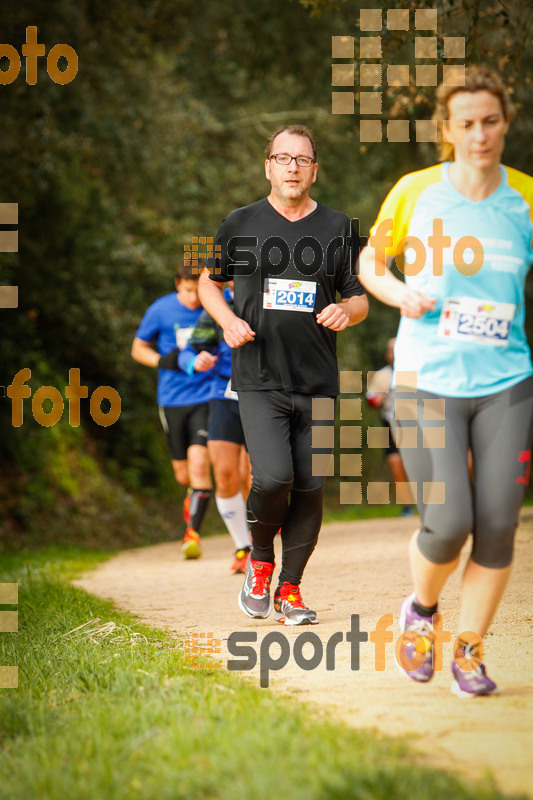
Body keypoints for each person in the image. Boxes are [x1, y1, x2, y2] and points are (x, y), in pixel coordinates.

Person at [358, 66, 533, 696]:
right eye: (467, 124)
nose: (480, 135)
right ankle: (422, 612)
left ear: (505, 123)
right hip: (425, 378)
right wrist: (398, 291)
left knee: (497, 521)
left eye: (491, 121)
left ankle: (469, 651)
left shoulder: (526, 200)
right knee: (449, 520)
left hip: (506, 380)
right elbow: (370, 261)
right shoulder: (415, 192)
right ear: (447, 130)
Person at [199, 124, 368, 625]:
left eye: (302, 159)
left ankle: (290, 589)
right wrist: (227, 320)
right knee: (273, 476)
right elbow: (211, 285)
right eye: (283, 157)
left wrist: (348, 313)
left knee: (310, 485)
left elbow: (357, 297)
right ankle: (260, 560)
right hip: (258, 377)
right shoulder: (240, 222)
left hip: (317, 380)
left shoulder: (339, 227)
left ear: (315, 169)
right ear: (268, 166)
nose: (292, 166)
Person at [131, 259, 215, 559]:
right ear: (178, 283)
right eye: (189, 291)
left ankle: (192, 534)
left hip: (206, 396)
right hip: (172, 400)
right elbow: (137, 348)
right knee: (183, 475)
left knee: (199, 465)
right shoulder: (161, 310)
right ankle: (192, 499)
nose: (194, 298)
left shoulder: (213, 307)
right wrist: (161, 361)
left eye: (198, 291)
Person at [179, 284, 253, 574]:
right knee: (224, 474)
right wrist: (195, 361)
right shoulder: (218, 305)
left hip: (262, 396)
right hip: (223, 395)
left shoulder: (269, 296)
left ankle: (260, 545)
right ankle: (242, 547)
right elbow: (190, 350)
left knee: (254, 477)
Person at [366, 337, 413, 515]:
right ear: (388, 354)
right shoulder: (381, 375)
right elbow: (370, 398)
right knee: (397, 467)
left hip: (414, 426)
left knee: (415, 466)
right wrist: (375, 400)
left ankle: (427, 505)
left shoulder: (415, 373)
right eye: (391, 350)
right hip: (390, 425)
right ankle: (407, 506)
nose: (394, 353)